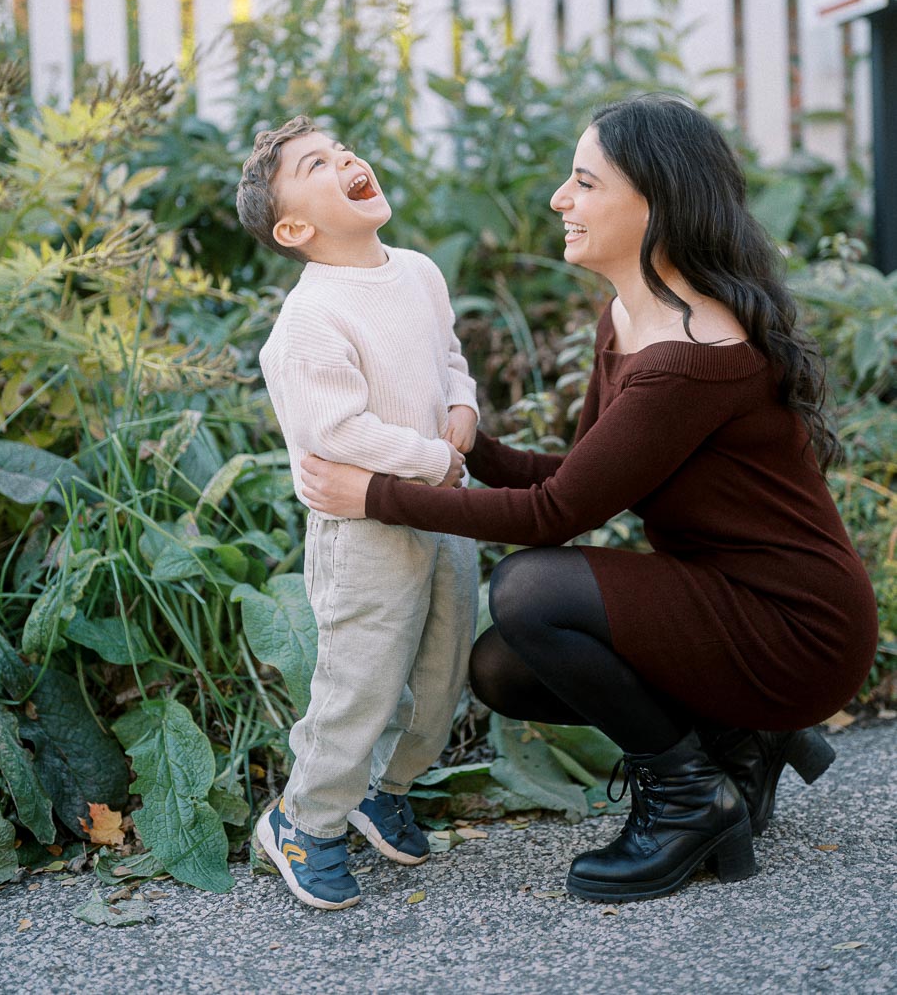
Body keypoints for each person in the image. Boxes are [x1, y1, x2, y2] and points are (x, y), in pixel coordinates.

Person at [300, 95, 879, 905]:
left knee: (531, 588)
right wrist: (463, 449)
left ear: (656, 206)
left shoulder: (690, 355)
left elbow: (556, 516)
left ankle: (689, 802)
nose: (558, 200)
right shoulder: (631, 317)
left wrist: (377, 494)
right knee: (503, 667)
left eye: (583, 182)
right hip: (730, 598)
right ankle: (736, 739)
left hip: (798, 628)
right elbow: (582, 475)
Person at [235, 115, 478, 910]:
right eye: (316, 163)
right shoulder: (309, 322)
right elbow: (333, 432)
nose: (344, 159)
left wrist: (463, 407)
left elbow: (449, 358)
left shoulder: (416, 272)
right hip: (366, 529)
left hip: (446, 512)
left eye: (341, 149)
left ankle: (387, 789)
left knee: (445, 667)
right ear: (296, 226)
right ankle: (306, 821)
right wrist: (436, 459)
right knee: (361, 681)